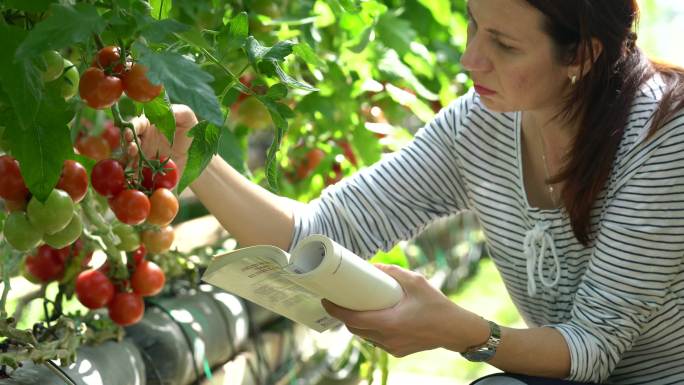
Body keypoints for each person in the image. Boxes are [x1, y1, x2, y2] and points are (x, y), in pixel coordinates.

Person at [131, 0, 684, 383]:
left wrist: (460, 330)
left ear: (581, 55)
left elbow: (593, 349)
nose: (471, 59)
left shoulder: (662, 137)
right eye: (472, 25)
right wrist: (196, 159)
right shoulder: (481, 125)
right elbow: (323, 230)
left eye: (505, 45)